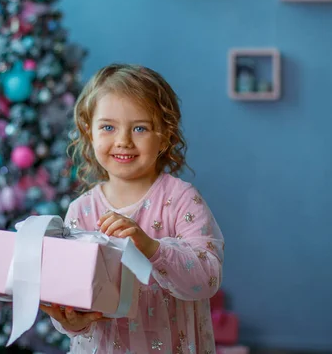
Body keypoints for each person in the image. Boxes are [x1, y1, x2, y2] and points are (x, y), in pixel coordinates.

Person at [39, 63, 225, 353]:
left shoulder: (181, 200)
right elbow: (73, 304)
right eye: (108, 127)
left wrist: (150, 247)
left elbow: (206, 279)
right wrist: (72, 320)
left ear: (164, 135)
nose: (123, 141)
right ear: (89, 132)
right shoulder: (81, 211)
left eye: (140, 128)